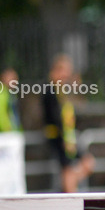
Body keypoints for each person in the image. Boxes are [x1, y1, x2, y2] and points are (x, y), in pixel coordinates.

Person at [42, 55, 95, 193]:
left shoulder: (63, 92)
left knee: (87, 164)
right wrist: (64, 140)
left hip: (69, 138)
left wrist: (77, 89)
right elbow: (54, 117)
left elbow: (77, 111)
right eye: (64, 71)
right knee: (68, 171)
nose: (66, 76)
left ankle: (66, 188)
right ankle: (68, 193)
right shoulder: (50, 90)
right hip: (58, 138)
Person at [0, 67, 22, 132]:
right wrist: (6, 128)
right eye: (12, 78)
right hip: (4, 133)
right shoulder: (0, 92)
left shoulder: (10, 93)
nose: (15, 81)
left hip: (12, 131)